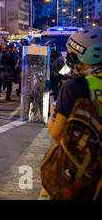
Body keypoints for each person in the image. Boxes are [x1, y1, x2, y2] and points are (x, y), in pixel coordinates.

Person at [40, 29, 102, 200]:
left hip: (83, 168)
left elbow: (57, 133)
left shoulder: (75, 86)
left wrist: (52, 115)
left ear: (78, 58)